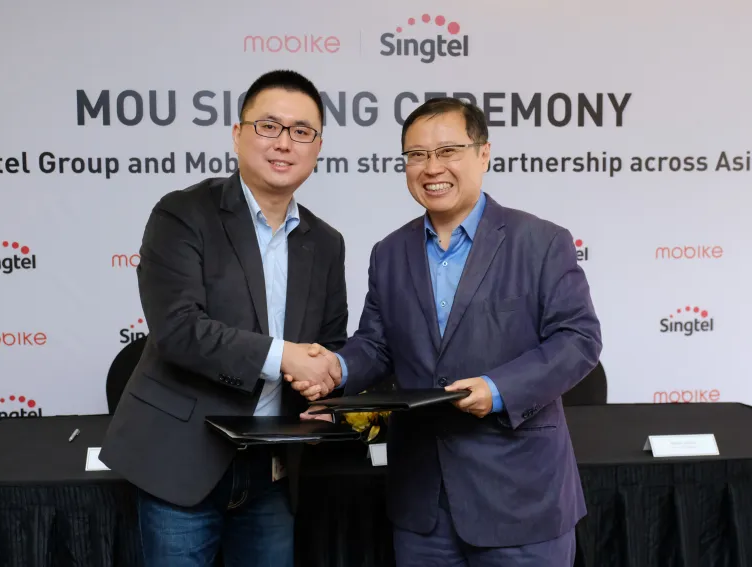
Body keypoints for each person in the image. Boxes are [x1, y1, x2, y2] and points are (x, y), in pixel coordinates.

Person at [295, 97, 602, 566]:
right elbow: (376, 344)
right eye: (416, 155)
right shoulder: (388, 252)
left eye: (447, 151)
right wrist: (336, 368)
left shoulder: (541, 242)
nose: (431, 167)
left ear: (483, 153)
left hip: (519, 498)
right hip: (422, 503)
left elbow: (578, 340)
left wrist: (497, 389)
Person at [99, 69, 347, 567]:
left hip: (271, 469)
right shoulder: (182, 214)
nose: (284, 143)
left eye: (302, 131)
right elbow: (178, 330)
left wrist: (325, 391)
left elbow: (329, 343)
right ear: (237, 134)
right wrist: (286, 357)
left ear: (318, 147)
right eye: (269, 126)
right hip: (180, 465)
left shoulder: (325, 242)